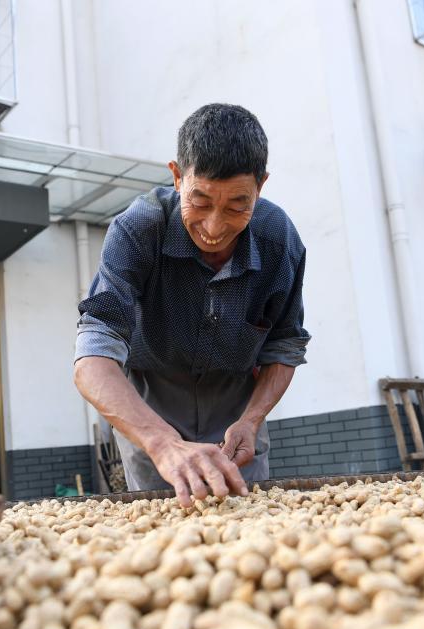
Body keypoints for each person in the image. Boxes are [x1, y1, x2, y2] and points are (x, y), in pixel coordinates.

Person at [74, 103, 310, 507]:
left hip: (237, 403)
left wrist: (252, 419)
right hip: (150, 401)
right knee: (162, 517)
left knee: (250, 516)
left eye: (237, 205)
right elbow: (93, 356)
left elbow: (285, 344)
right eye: (199, 201)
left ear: (261, 186)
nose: (214, 228)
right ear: (177, 176)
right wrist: (161, 442)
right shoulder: (138, 229)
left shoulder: (278, 239)